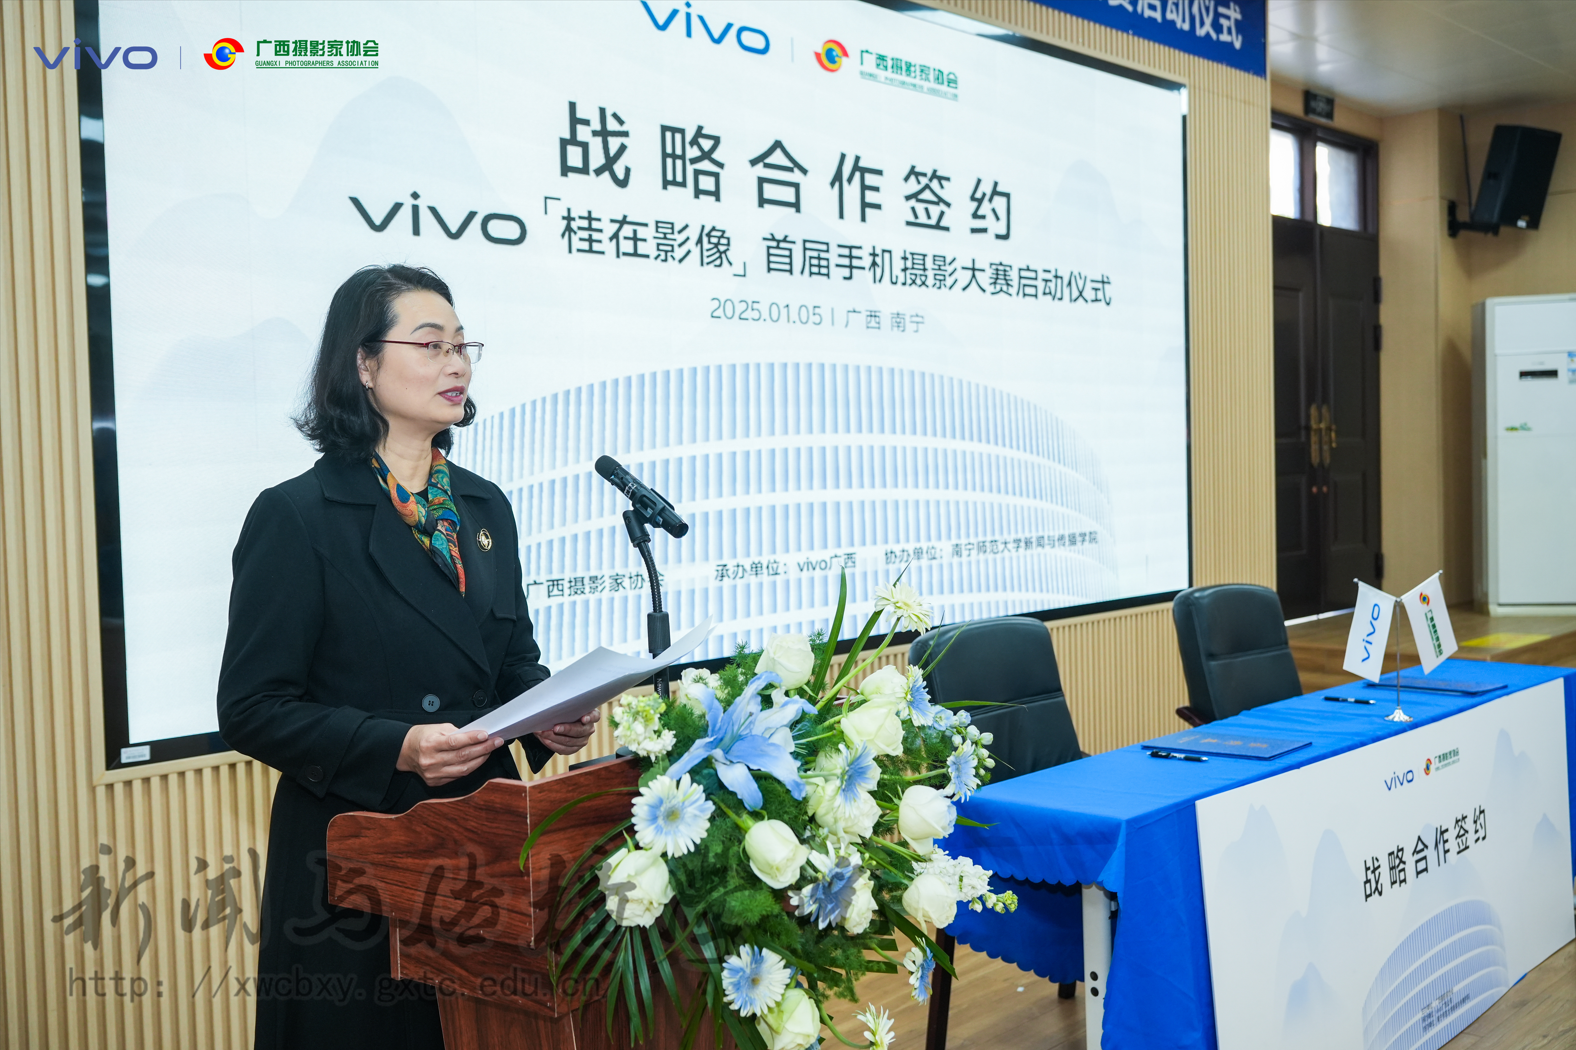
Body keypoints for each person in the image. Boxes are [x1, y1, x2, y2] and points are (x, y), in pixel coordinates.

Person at [217, 264, 598, 1049]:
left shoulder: (485, 506)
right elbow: (253, 707)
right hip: (359, 852)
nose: (456, 364)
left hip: (480, 849)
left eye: (462, 346)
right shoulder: (297, 516)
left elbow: (511, 661)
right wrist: (398, 745)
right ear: (363, 364)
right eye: (431, 345)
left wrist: (548, 715)